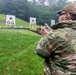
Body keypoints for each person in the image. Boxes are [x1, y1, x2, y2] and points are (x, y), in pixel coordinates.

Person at [35, 3, 76, 75]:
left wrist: (46, 37)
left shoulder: (55, 35)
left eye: (60, 14)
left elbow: (40, 51)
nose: (59, 17)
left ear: (66, 15)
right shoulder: (55, 34)